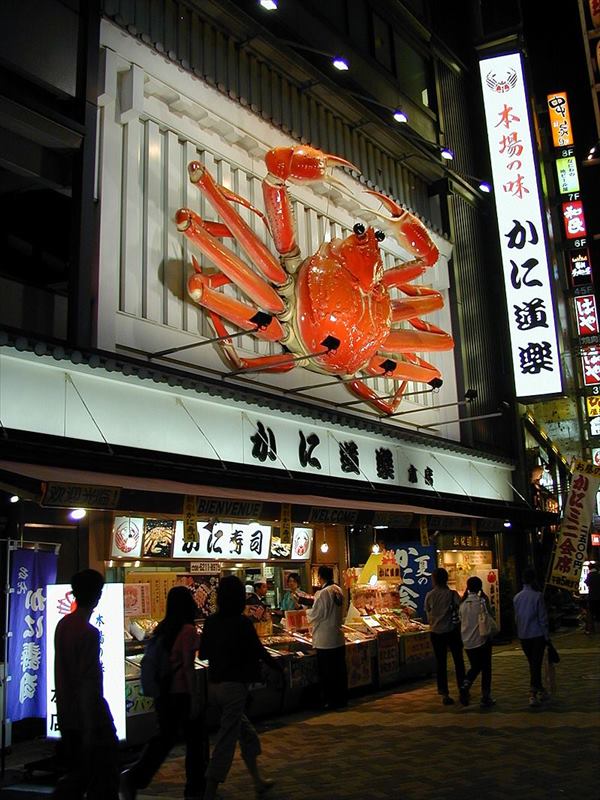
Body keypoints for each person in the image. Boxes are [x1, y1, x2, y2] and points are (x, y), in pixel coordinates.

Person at [200, 575, 281, 800]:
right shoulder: (242, 622)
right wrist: (277, 668)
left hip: (214, 686)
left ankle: (258, 781)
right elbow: (259, 651)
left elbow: (204, 653)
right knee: (226, 740)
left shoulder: (211, 621)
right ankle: (209, 790)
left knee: (248, 736)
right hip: (234, 688)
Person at [120, 586, 205, 800]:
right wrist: (194, 697)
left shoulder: (163, 628)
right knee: (196, 743)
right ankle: (194, 790)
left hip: (164, 693)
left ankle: (134, 777)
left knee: (165, 739)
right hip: (181, 694)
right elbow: (188, 667)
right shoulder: (187, 630)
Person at [53, 569, 119, 799]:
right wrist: (90, 726)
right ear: (97, 595)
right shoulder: (88, 633)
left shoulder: (63, 626)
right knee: (105, 775)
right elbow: (87, 683)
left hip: (67, 714)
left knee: (81, 773)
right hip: (90, 717)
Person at [306, 564, 348, 710]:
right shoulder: (338, 590)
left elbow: (316, 614)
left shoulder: (323, 593)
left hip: (325, 640)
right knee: (339, 671)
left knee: (327, 673)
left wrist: (306, 611)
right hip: (337, 636)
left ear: (320, 577)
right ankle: (342, 699)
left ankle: (331, 701)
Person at [424, 567, 466, 705]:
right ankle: (463, 689)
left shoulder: (430, 595)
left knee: (440, 662)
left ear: (434, 579)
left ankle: (444, 693)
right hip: (451, 631)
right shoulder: (452, 594)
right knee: (458, 661)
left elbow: (428, 612)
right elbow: (460, 610)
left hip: (436, 632)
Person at [513, 567, 550, 707]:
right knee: (536, 664)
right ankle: (533, 692)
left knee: (533, 664)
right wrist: (547, 636)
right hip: (537, 635)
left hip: (524, 635)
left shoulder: (517, 597)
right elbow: (542, 618)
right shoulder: (537, 596)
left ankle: (540, 690)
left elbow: (517, 618)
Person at [458, 576, 496, 708]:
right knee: (486, 668)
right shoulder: (481, 602)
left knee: (475, 666)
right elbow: (490, 618)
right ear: (480, 587)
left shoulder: (462, 604)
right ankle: (485, 696)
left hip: (467, 641)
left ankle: (465, 684)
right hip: (482, 640)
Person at [585, 563, 600, 634]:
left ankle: (592, 629)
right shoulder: (598, 574)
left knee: (591, 612)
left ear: (589, 568)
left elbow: (587, 582)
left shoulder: (590, 575)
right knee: (598, 613)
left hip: (592, 597)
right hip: (599, 596)